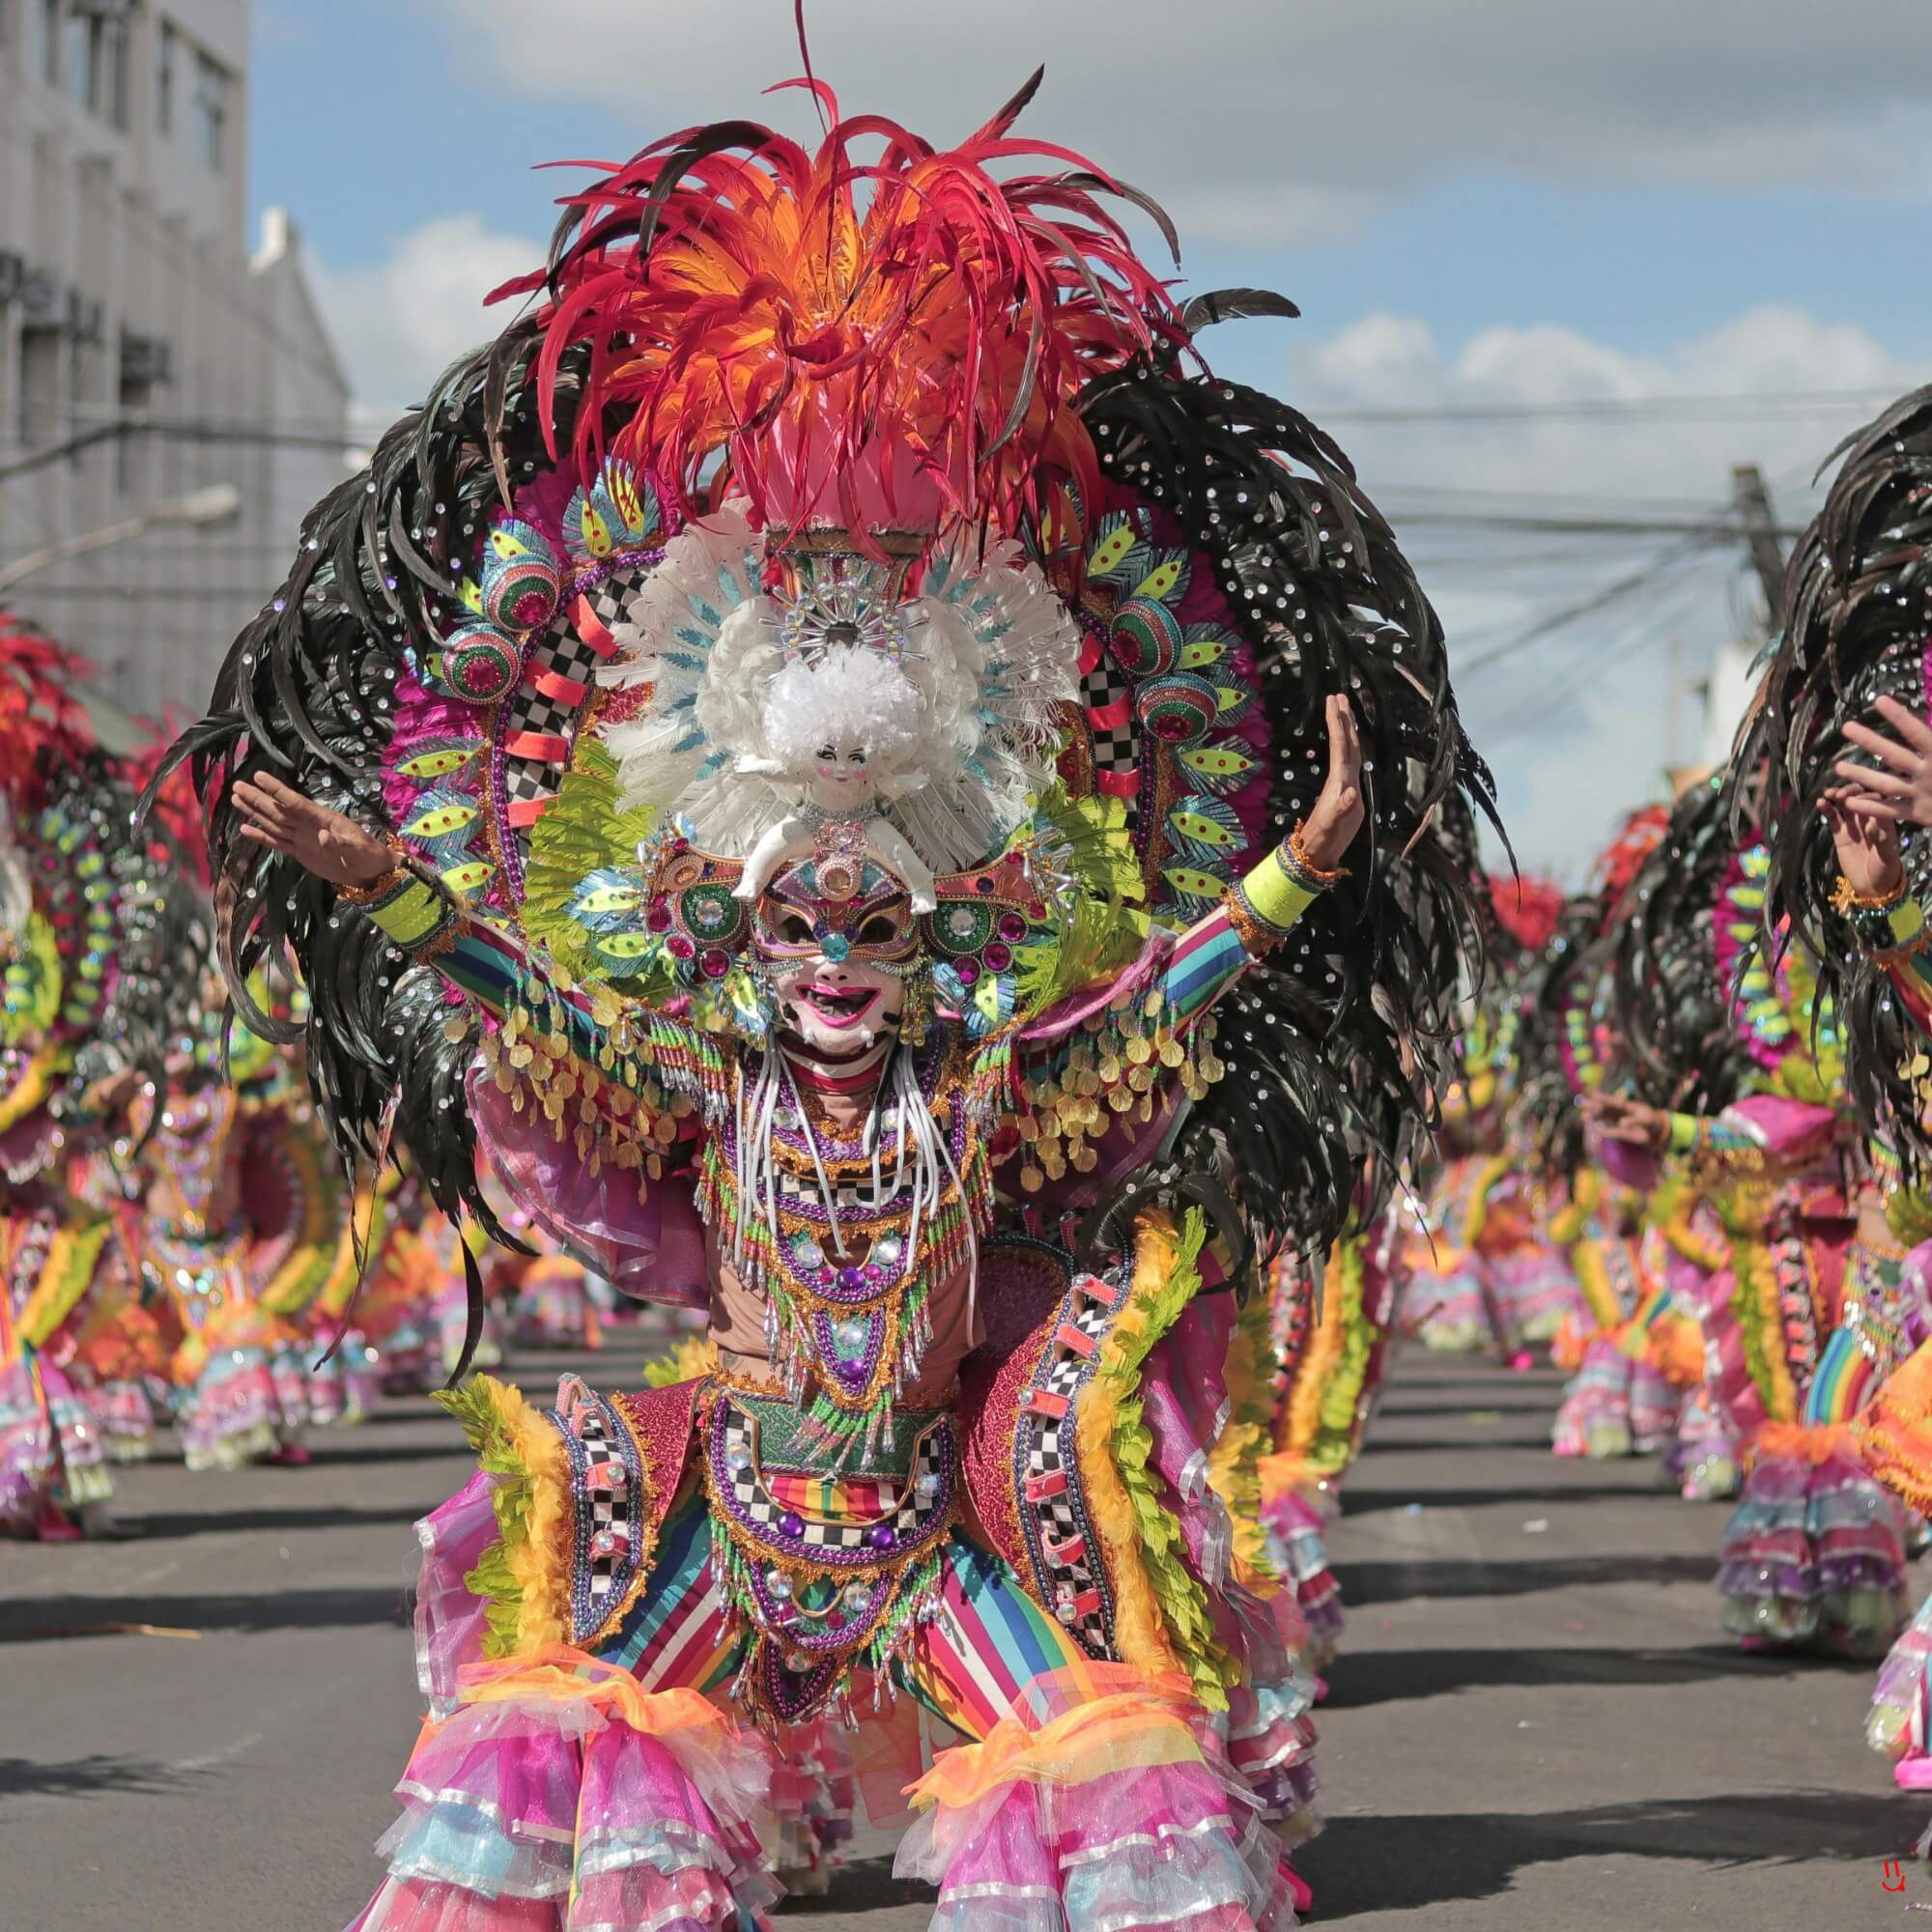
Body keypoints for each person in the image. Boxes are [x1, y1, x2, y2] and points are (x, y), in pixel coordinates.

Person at [185, 75, 1493, 1927]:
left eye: (868, 929)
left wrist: (1302, 861)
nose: (830, 958)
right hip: (738, 1515)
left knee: (1117, 1799)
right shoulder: (705, 1083)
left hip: (930, 1527)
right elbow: (529, 991)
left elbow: (1147, 999)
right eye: (797, 925)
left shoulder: (980, 1089)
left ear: (925, 938)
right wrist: (373, 877)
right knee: (579, 1795)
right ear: (746, 934)